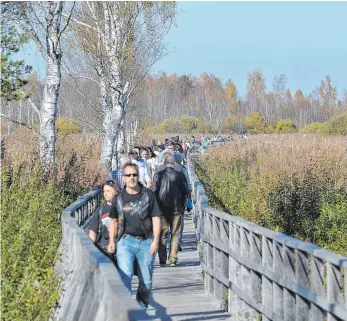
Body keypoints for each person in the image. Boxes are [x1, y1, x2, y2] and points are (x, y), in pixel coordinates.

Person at [107, 163, 161, 310]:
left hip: (146, 241)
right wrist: (112, 241)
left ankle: (140, 311)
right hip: (125, 241)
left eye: (134, 175)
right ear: (123, 178)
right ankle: (127, 312)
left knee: (147, 282)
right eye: (128, 175)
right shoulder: (118, 198)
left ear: (138, 176)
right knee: (126, 276)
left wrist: (156, 240)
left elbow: (156, 217)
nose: (132, 178)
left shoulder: (148, 195)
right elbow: (113, 221)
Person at [152, 155, 189, 267]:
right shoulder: (180, 175)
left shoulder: (158, 175)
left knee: (162, 233)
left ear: (164, 163)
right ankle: (173, 257)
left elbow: (153, 192)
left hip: (162, 209)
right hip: (177, 208)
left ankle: (162, 258)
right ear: (174, 164)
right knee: (175, 233)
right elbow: (186, 191)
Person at [88, 180, 120, 262]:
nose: (105, 194)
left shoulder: (123, 208)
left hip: (121, 249)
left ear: (116, 191)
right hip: (105, 250)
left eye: (108, 191)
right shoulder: (101, 210)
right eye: (104, 191)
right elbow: (93, 232)